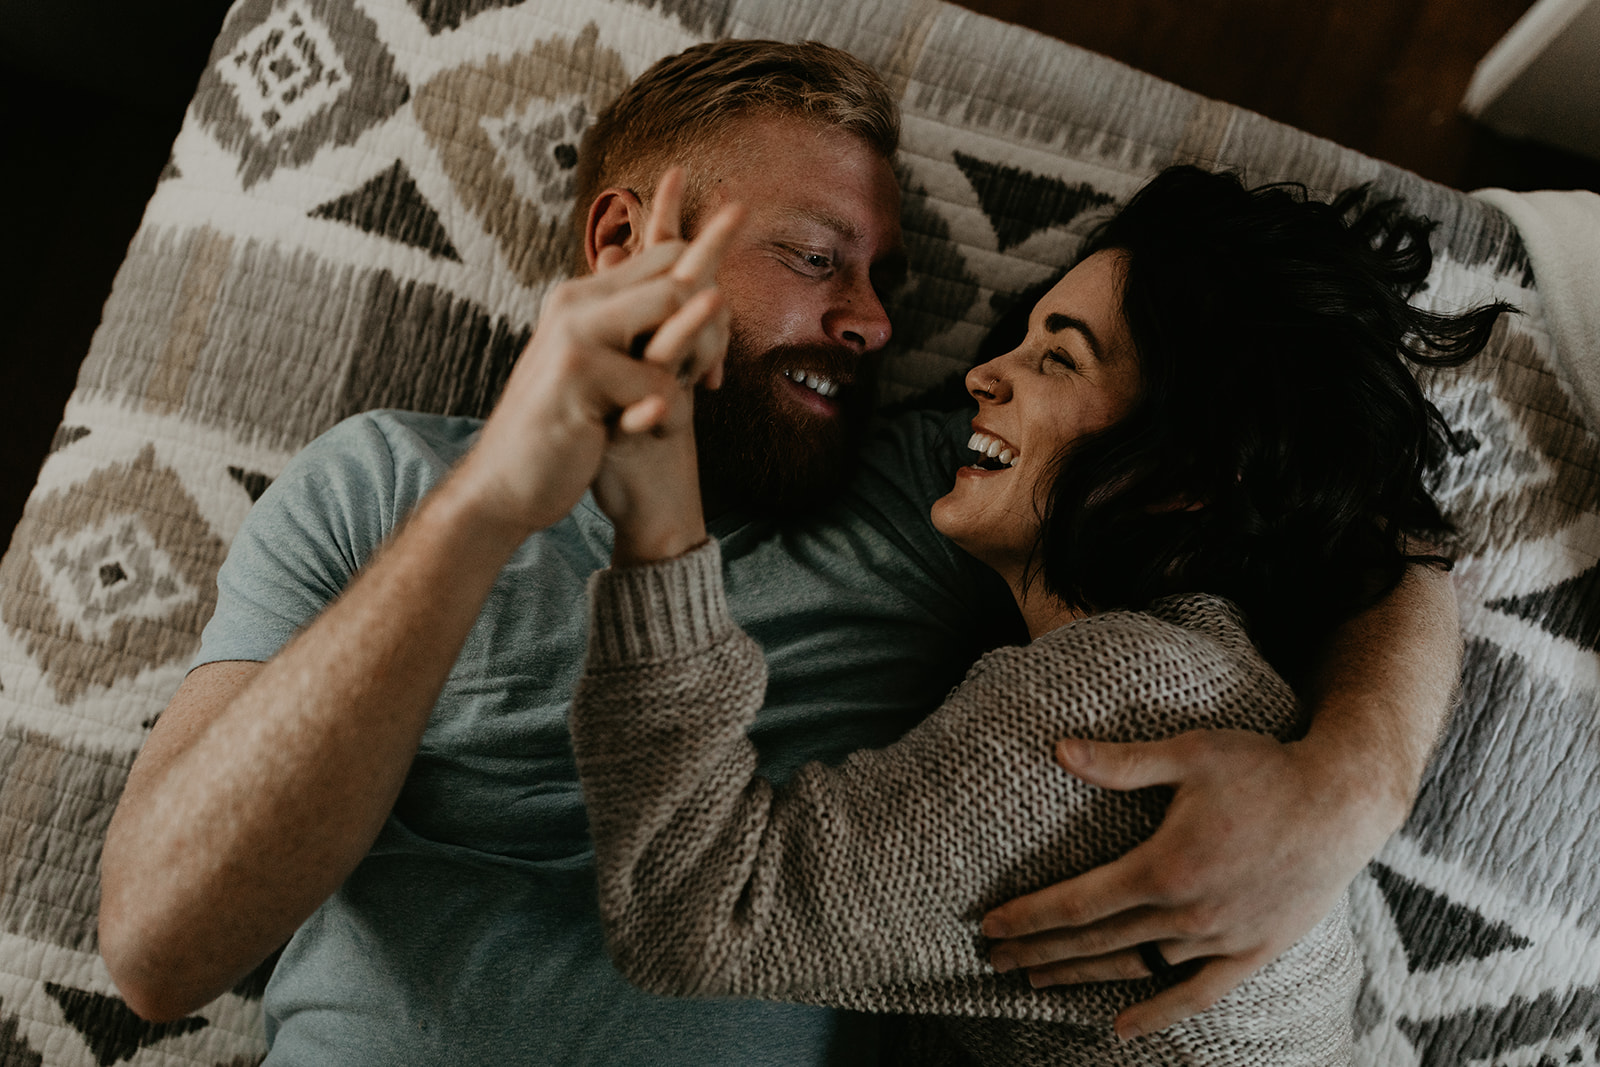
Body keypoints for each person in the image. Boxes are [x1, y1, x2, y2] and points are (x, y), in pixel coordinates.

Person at [97, 40, 1464, 1065]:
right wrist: (484, 509)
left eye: (890, 289)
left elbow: (1358, 516)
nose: (874, 326)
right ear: (628, 239)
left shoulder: (960, 499)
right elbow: (162, 953)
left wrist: (1352, 783)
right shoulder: (378, 482)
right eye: (819, 259)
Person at [566, 164, 1511, 1064]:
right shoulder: (1200, 663)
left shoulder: (1112, 698)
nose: (984, 374)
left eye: (1057, 355)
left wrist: (657, 525)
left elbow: (689, 913)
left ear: (1181, 474)